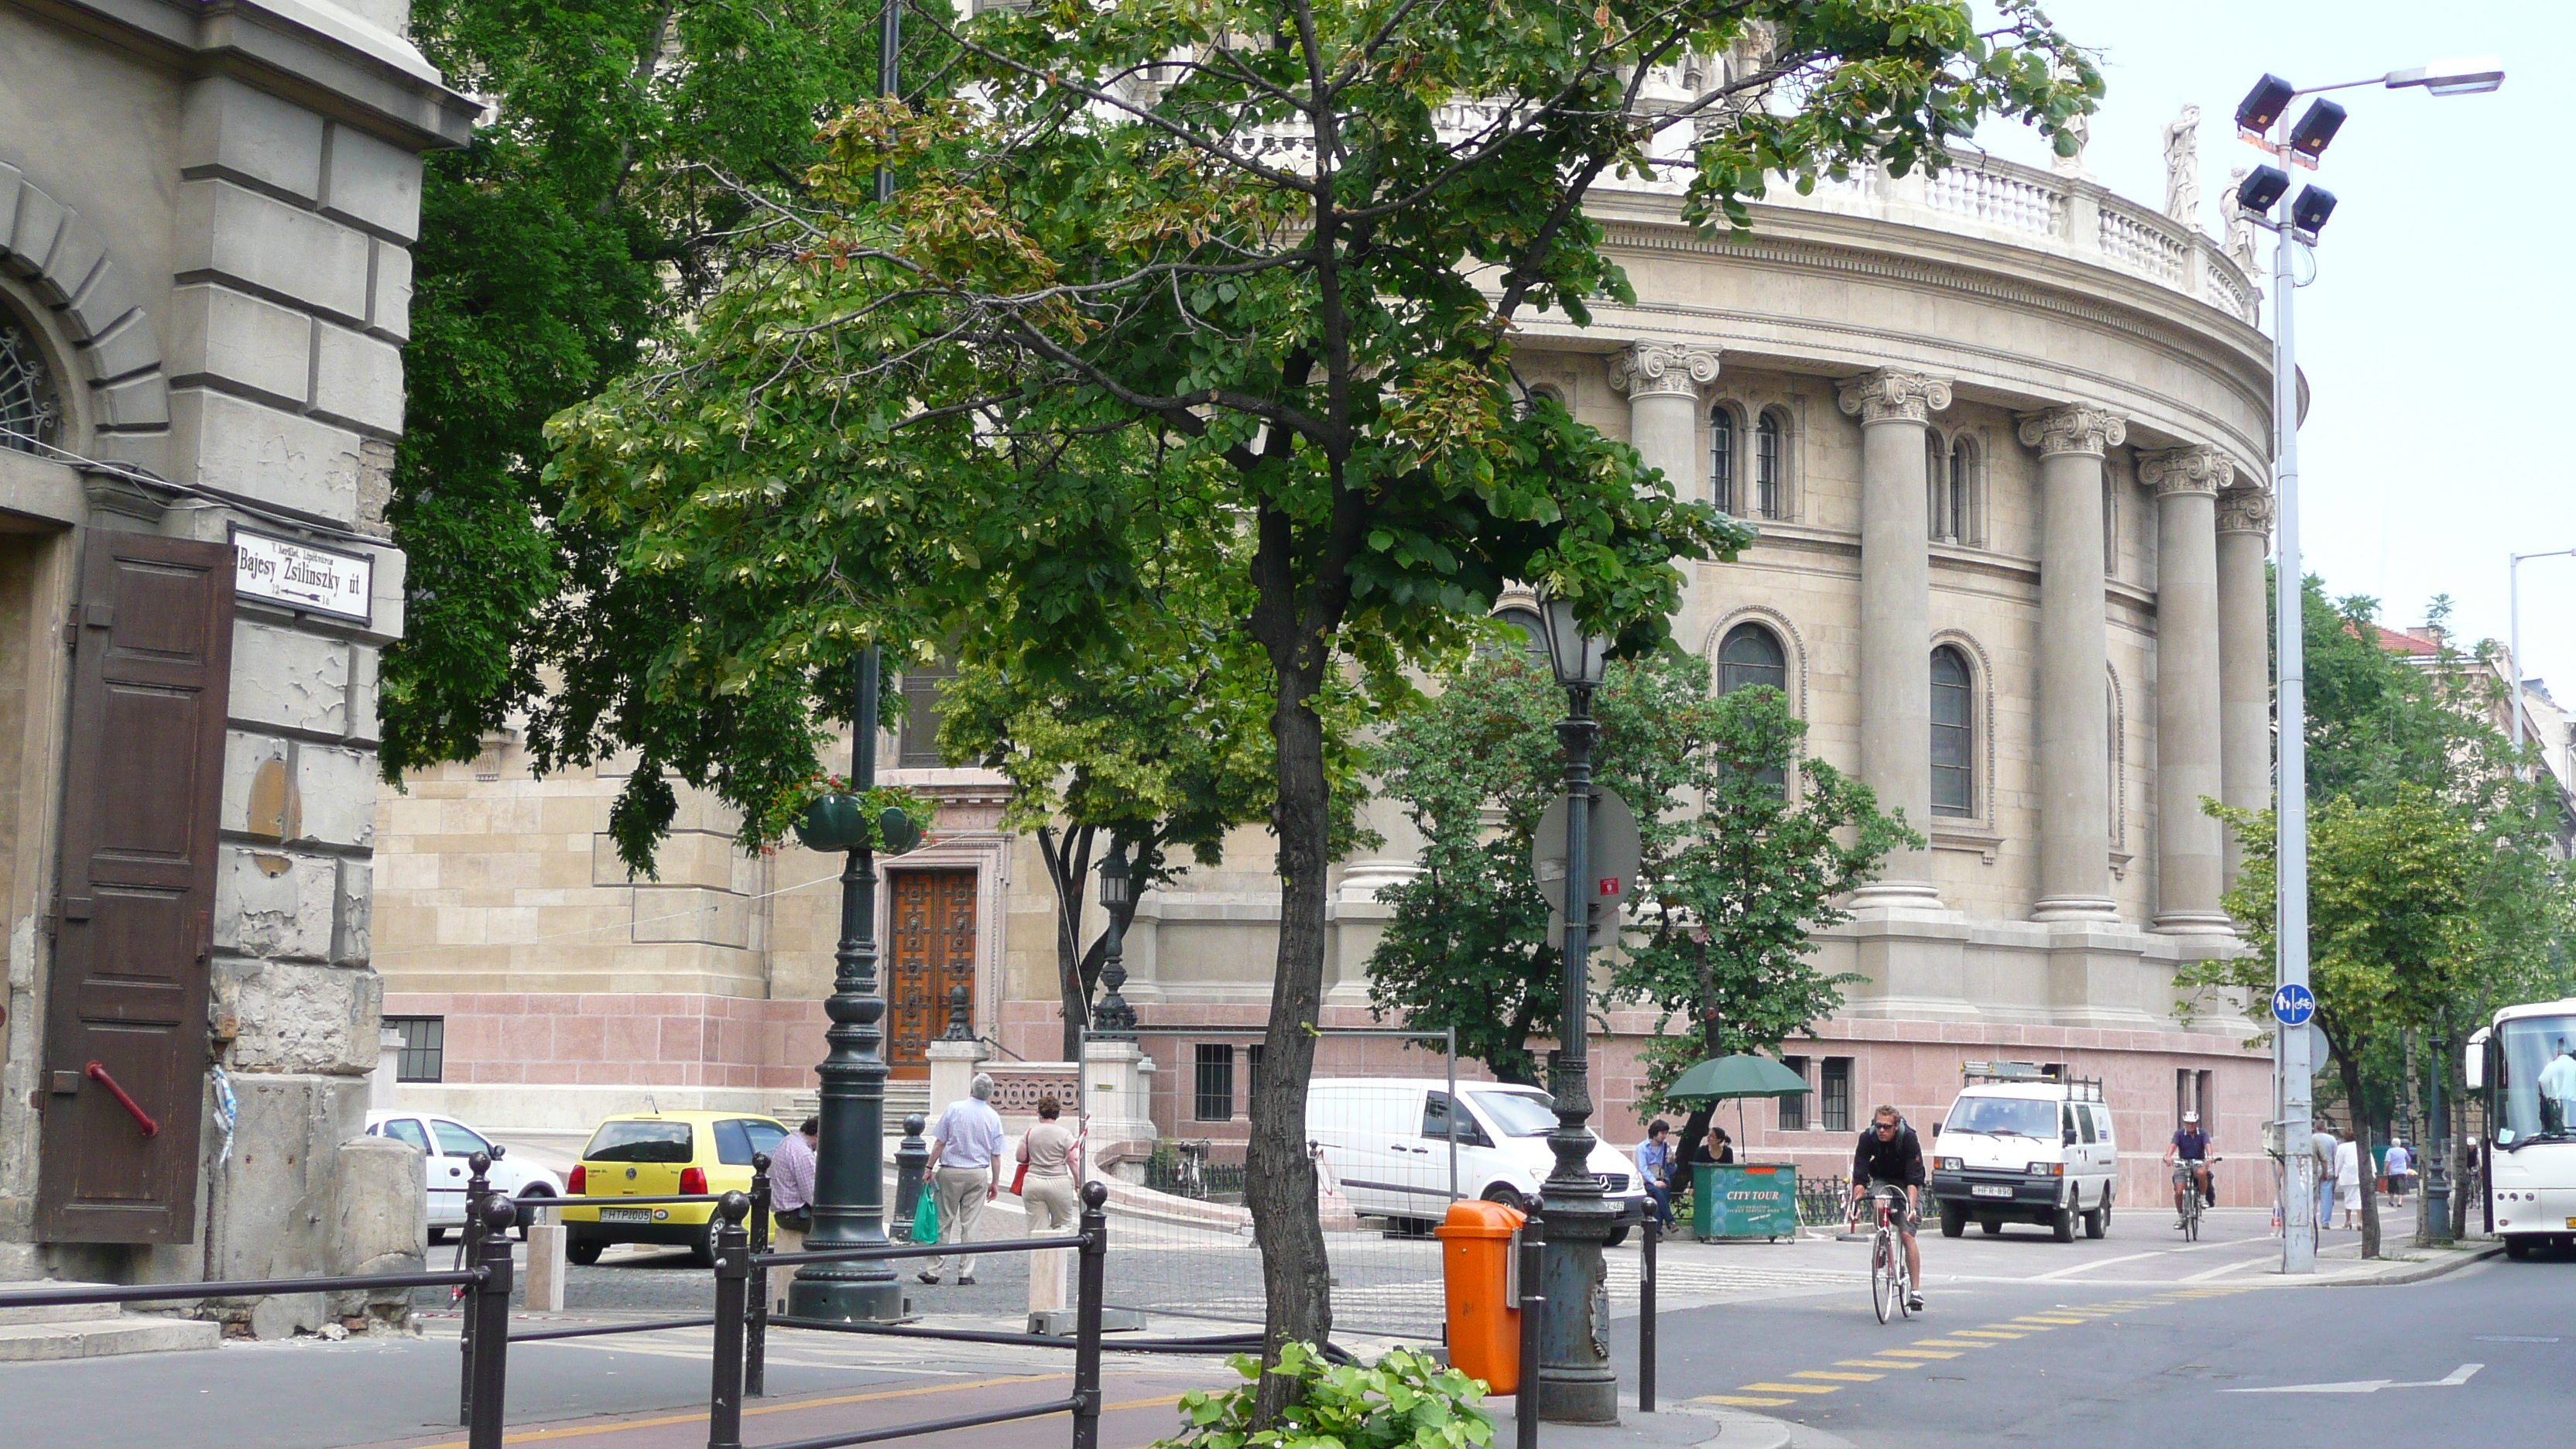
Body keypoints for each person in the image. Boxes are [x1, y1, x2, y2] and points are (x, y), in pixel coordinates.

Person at [921, 1074, 1007, 1286]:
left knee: (943, 1222)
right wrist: (995, 1182)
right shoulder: (993, 1117)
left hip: (951, 1171)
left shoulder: (954, 1109)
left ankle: (934, 1270)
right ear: (990, 1094)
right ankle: (966, 1273)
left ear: (971, 1088)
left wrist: (929, 1167)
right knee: (971, 1225)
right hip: (978, 1173)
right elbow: (996, 1155)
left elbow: (940, 1142)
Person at [1849, 1104, 1927, 1314]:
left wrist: (1910, 1208)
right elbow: (1860, 1176)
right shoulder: (1868, 1138)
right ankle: (1883, 1240)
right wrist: (1855, 1205)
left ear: (1896, 1126)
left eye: (1886, 1127)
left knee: (1906, 1233)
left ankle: (1916, 1292)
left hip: (1907, 1182)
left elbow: (1913, 1180)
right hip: (1882, 1178)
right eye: (1878, 1126)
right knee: (1878, 1201)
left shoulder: (1908, 1138)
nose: (1881, 1131)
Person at [765, 1116, 818, 1312]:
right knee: (837, 1231)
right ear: (818, 1135)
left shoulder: (788, 1142)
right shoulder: (802, 1153)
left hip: (784, 1212)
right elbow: (813, 1196)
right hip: (796, 1215)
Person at [1017, 1096, 1080, 1233]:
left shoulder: (1029, 1133)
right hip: (1059, 1183)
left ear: (1039, 1113)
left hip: (1034, 1182)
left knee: (1037, 1229)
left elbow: (1020, 1157)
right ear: (1057, 1114)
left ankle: (1040, 1253)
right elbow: (1073, 1160)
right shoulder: (1065, 1135)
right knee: (1062, 1226)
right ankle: (1058, 1254)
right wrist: (1078, 1182)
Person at [2163, 1110, 2211, 1223]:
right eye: (2188, 1123)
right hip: (2183, 1163)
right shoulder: (2179, 1134)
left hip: (2197, 1162)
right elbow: (2173, 1146)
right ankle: (2181, 1217)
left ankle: (2202, 1198)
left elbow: (2208, 1145)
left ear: (2197, 1123)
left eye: (2193, 1123)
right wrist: (2168, 1157)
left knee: (2201, 1173)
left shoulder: (2203, 1134)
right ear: (2184, 1123)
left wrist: (2210, 1157)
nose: (2191, 1125)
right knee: (2179, 1192)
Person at [1633, 1120, 1674, 1229]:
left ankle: (1658, 1232)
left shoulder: (1666, 1147)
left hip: (1663, 1179)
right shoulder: (1642, 1147)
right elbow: (1643, 1168)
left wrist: (1672, 1162)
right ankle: (1670, 1221)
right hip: (1649, 1181)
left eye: (1666, 1133)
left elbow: (1671, 1170)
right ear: (1655, 1133)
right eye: (1662, 1133)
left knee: (1660, 1197)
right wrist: (1655, 1182)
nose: (1664, 1136)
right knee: (1657, 1192)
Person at [2540, 1041, 2576, 1135]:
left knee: (2561, 1127)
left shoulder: (2553, 1065)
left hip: (2559, 1102)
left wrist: (2548, 1095)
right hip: (2574, 1102)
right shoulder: (2574, 1064)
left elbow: (2543, 1080)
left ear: (2557, 1052)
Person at [2309, 1125, 2338, 1232]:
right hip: (2328, 1170)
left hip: (2314, 1170)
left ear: (2315, 1128)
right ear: (2325, 1128)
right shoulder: (2332, 1139)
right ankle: (2325, 1222)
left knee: (2313, 1197)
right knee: (2327, 1197)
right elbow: (2335, 1155)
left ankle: (2311, 1219)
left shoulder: (2312, 1138)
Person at [2332, 1128, 2362, 1231]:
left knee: (2348, 1197)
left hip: (2347, 1175)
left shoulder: (2342, 1147)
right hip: (2359, 1175)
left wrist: (2336, 1173)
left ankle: (2348, 1220)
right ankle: (2359, 1221)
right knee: (2359, 1198)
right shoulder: (2360, 1145)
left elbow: (2338, 1161)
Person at [2382, 1137, 2411, 1208]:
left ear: (2392, 1143)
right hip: (2402, 1171)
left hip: (2393, 1172)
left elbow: (2387, 1162)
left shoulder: (2390, 1151)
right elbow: (2408, 1160)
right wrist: (2407, 1167)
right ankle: (2400, 1202)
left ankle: (2392, 1201)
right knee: (2401, 1187)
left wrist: (2385, 1170)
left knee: (2392, 1186)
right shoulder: (2404, 1151)